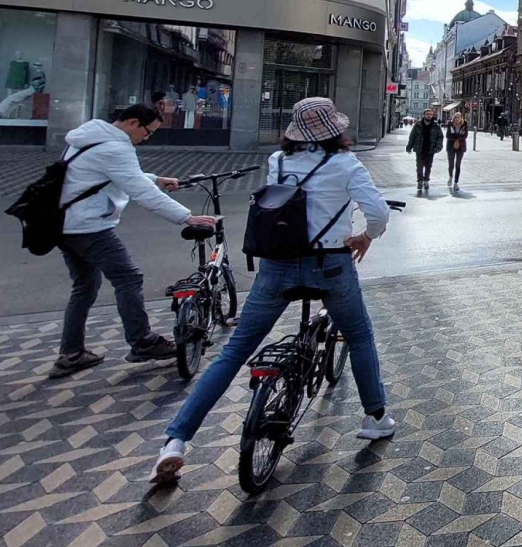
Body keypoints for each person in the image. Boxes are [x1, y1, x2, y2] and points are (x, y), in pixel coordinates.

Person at [150, 97, 394, 485]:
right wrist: (365, 236)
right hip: (329, 265)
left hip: (277, 266)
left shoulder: (278, 162)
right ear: (336, 130)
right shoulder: (347, 164)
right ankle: (375, 417)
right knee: (360, 335)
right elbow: (378, 213)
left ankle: (176, 441)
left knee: (233, 352)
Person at [49, 105, 219, 378]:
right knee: (129, 278)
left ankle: (70, 354)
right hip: (89, 227)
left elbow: (111, 177)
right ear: (131, 122)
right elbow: (139, 191)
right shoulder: (116, 148)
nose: (146, 138)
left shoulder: (90, 137)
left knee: (84, 286)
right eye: (147, 132)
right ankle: (142, 342)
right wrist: (186, 217)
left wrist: (156, 179)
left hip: (64, 224)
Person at [406, 107, 441, 189]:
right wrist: (409, 147)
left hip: (430, 149)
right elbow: (412, 136)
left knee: (428, 166)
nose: (429, 116)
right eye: (427, 114)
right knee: (419, 166)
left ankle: (426, 180)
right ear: (424, 115)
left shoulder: (436, 126)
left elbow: (440, 137)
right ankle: (420, 181)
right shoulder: (418, 125)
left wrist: (438, 147)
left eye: (430, 114)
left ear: (432, 115)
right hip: (419, 149)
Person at [445, 111, 469, 188]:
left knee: (458, 165)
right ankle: (450, 177)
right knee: (451, 164)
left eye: (458, 117)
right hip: (451, 146)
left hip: (461, 147)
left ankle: (456, 182)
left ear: (461, 118)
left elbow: (465, 135)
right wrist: (458, 137)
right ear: (453, 118)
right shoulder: (450, 124)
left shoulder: (464, 124)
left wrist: (457, 138)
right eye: (455, 117)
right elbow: (448, 135)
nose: (457, 119)